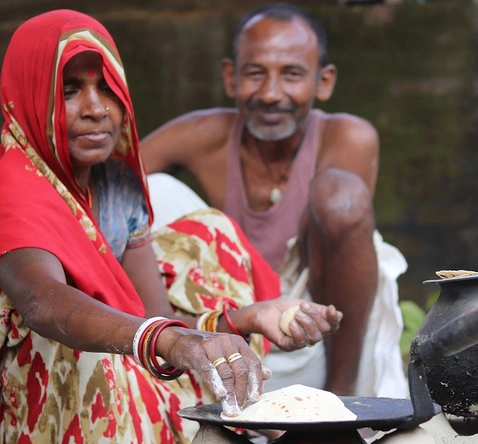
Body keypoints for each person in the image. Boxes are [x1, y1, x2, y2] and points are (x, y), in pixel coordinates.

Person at [0, 10, 342, 442]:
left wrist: (249, 317)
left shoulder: (116, 182)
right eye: (69, 91)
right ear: (29, 97)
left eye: (108, 88)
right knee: (82, 342)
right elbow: (42, 302)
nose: (96, 109)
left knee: (211, 236)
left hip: (109, 364)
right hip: (9, 407)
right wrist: (169, 341)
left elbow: (152, 317)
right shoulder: (4, 185)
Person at [142, 3, 408, 398]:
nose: (270, 94)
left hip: (320, 335)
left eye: (292, 75)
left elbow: (342, 230)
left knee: (342, 197)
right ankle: (160, 344)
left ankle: (340, 401)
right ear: (231, 78)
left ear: (324, 82)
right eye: (255, 73)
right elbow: (105, 187)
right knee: (151, 188)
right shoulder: (202, 133)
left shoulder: (348, 136)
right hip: (228, 328)